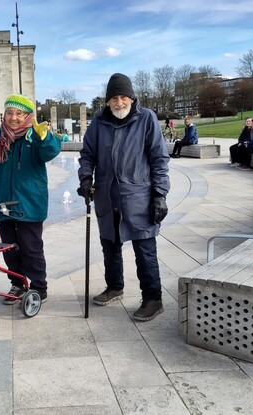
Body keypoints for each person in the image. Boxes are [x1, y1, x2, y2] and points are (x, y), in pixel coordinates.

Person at [77, 73, 170, 322]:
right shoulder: (98, 123)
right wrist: (85, 179)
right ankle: (115, 286)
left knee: (145, 250)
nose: (119, 102)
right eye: (114, 98)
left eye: (123, 97)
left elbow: (159, 159)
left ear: (131, 97)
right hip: (108, 196)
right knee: (110, 245)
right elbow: (87, 155)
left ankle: (153, 298)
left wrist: (160, 195)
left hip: (139, 196)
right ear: (107, 101)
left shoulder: (146, 119)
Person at [0, 94, 60, 304]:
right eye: (10, 113)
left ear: (27, 116)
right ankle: (17, 283)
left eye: (19, 113)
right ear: (4, 114)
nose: (14, 117)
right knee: (9, 249)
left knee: (31, 249)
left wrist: (44, 137)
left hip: (30, 204)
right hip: (4, 206)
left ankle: (38, 287)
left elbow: (52, 152)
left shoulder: (34, 136)